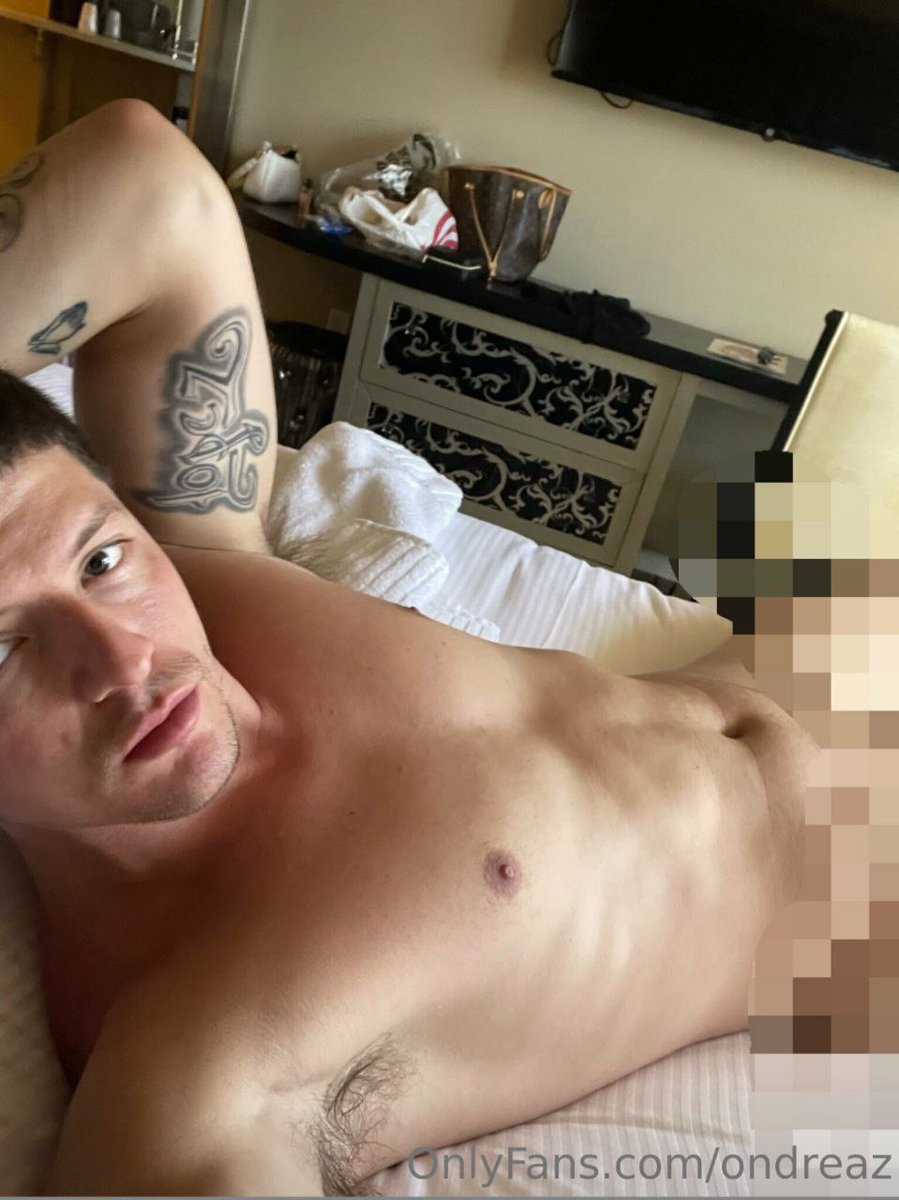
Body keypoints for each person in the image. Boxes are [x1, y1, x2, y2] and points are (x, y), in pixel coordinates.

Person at [0, 101, 819, 1196]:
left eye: (102, 559)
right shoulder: (199, 1060)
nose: (121, 661)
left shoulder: (197, 575)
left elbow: (144, 179)